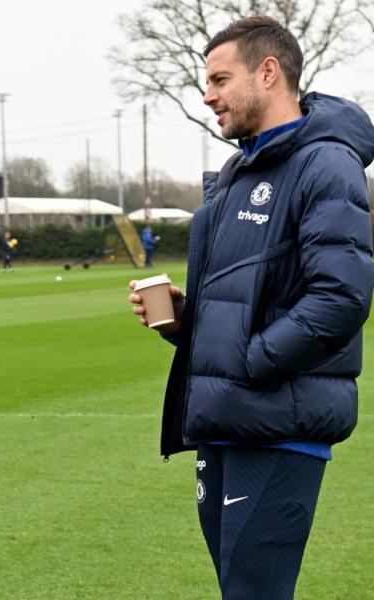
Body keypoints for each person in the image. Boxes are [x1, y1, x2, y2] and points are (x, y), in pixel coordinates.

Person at [128, 16, 374, 599]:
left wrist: (251, 360)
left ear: (268, 73)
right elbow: (241, 299)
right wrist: (186, 320)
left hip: (277, 425)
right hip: (224, 418)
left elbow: (340, 298)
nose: (207, 95)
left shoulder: (326, 164)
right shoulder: (237, 173)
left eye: (218, 79)